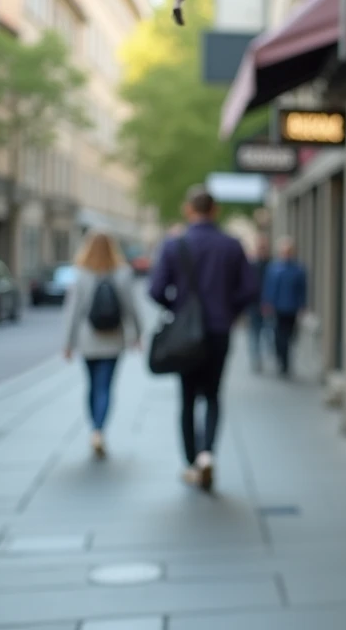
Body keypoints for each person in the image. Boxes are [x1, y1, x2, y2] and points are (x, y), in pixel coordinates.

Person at [149, 186, 257, 490]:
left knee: (186, 399)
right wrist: (229, 311)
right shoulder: (231, 245)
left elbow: (155, 291)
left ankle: (192, 462)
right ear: (215, 210)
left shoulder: (174, 245)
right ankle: (208, 454)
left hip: (186, 337)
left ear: (188, 210)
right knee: (212, 395)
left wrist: (180, 310)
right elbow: (250, 289)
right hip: (219, 331)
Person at [62, 231, 143, 459]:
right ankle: (100, 429)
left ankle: (94, 429)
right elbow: (131, 307)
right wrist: (138, 334)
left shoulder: (80, 273)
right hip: (113, 339)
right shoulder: (123, 273)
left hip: (87, 339)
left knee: (91, 384)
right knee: (105, 386)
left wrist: (68, 343)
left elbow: (72, 312)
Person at [261, 237, 307, 377]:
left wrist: (302, 305)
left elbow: (302, 289)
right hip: (278, 307)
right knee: (278, 336)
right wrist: (267, 303)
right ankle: (281, 359)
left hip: (291, 308)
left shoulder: (298, 269)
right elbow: (269, 287)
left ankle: (285, 361)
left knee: (289, 336)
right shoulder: (274, 268)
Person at [245, 234, 272, 373]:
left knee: (269, 334)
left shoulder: (273, 265)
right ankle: (256, 360)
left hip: (269, 306)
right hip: (254, 306)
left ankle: (270, 358)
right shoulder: (251, 266)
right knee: (254, 334)